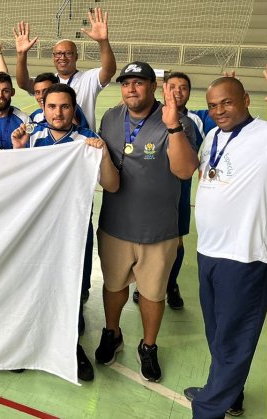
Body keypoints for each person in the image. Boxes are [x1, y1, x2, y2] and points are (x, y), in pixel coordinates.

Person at [184, 66, 267, 418]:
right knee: (217, 334)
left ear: (246, 99)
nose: (219, 111)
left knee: (233, 340)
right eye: (212, 105)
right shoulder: (213, 136)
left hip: (246, 257)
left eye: (227, 102)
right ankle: (228, 393)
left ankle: (209, 408)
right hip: (210, 252)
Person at [94, 61, 198, 383]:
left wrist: (172, 127)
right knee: (113, 287)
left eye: (139, 83)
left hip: (158, 230)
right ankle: (113, 333)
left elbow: (184, 171)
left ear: (153, 87)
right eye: (126, 83)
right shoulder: (110, 118)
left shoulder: (177, 121)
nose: (131, 89)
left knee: (153, 294)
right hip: (115, 225)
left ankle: (148, 346)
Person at [11, 83, 120, 382]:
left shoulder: (87, 141)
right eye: (52, 107)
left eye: (64, 107)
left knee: (70, 289)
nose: (57, 113)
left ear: (74, 110)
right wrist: (18, 151)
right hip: (38, 229)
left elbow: (111, 186)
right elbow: (20, 184)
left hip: (73, 230)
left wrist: (105, 156)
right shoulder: (32, 138)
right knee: (33, 284)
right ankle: (27, 344)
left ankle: (71, 347)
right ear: (43, 109)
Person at [134, 72, 218, 309]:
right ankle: (143, 284)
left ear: (190, 93)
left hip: (179, 190)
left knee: (176, 242)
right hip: (149, 190)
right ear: (162, 89)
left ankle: (170, 283)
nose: (178, 92)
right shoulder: (149, 116)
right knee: (146, 240)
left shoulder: (200, 119)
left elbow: (228, 116)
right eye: (172, 87)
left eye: (183, 88)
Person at [14, 8, 116, 131]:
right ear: (53, 57)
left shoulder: (88, 79)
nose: (62, 57)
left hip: (82, 143)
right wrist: (21, 54)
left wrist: (103, 41)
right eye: (58, 53)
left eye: (68, 53)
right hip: (54, 142)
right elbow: (23, 83)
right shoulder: (49, 82)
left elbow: (109, 70)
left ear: (76, 57)